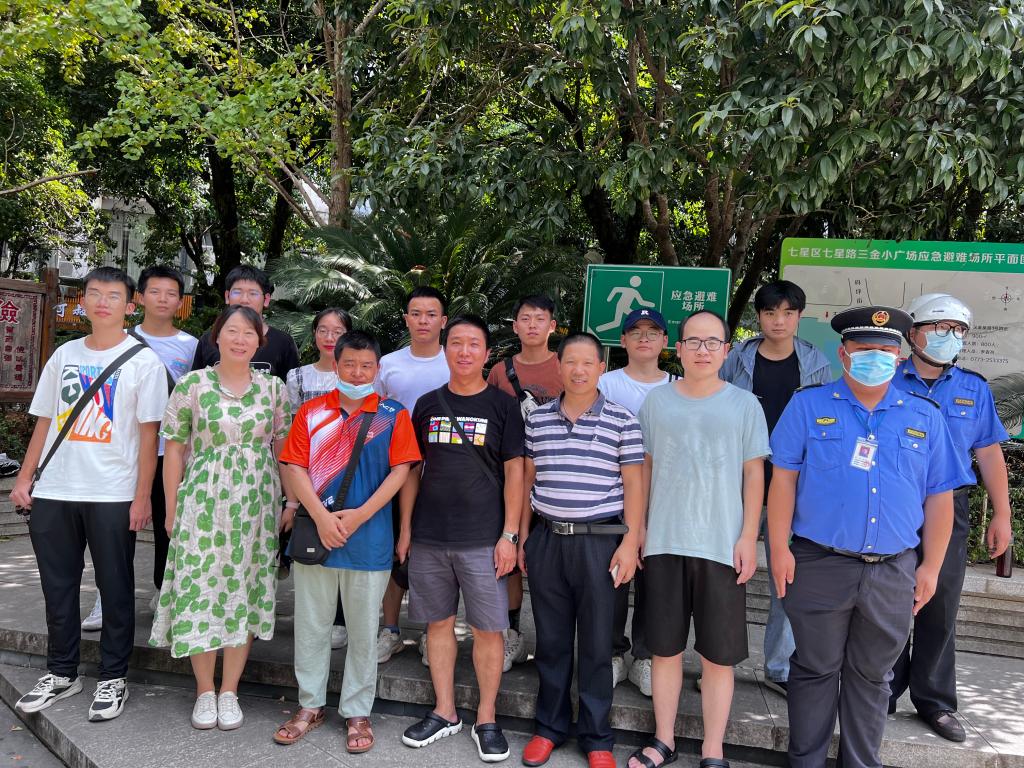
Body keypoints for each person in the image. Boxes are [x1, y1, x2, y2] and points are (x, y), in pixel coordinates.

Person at [768, 305, 968, 768]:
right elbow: (783, 482)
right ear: (843, 354)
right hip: (819, 563)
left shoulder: (925, 416)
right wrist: (777, 547)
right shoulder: (808, 405)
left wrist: (931, 567)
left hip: (893, 571)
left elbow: (940, 497)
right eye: (864, 350)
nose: (875, 358)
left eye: (885, 351)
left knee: (873, 677)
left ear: (899, 357)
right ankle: (806, 762)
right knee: (813, 670)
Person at [10, 266, 169, 722]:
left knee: (115, 587)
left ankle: (113, 677)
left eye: (113, 295)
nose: (103, 302)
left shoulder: (144, 363)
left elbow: (149, 438)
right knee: (57, 586)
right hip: (56, 488)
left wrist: (142, 496)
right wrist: (25, 478)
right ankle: (62, 672)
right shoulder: (65, 354)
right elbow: (45, 421)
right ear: (83, 302)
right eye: (94, 293)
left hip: (113, 492)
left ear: (129, 305)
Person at [628, 310, 769, 768]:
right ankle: (663, 740)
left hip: (722, 546)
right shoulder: (657, 403)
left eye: (712, 343)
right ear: (679, 349)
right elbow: (644, 469)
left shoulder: (745, 405)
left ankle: (713, 748)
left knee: (718, 658)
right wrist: (639, 528)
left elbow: (754, 474)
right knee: (664, 650)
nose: (702, 350)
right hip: (665, 542)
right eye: (693, 341)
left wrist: (748, 536)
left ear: (726, 350)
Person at [274, 330, 421, 752]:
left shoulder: (393, 415)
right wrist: (321, 517)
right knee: (311, 627)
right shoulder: (312, 411)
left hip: (370, 537)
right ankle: (309, 705)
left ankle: (358, 711)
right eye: (350, 364)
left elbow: (401, 471)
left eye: (366, 366)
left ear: (378, 369)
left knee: (363, 631)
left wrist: (359, 516)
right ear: (336, 365)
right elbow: (295, 466)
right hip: (315, 536)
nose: (357, 372)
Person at [151, 305, 291, 731]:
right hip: (202, 503)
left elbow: (284, 451)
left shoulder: (274, 390)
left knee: (244, 589)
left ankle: (229, 690)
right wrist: (171, 509)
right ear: (217, 337)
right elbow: (174, 449)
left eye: (249, 333)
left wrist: (290, 503)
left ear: (259, 341)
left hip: (257, 505)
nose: (240, 339)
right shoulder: (192, 385)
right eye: (232, 331)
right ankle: (204, 691)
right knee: (200, 589)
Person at [399, 314, 524, 763]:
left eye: (474, 344)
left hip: (484, 538)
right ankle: (445, 711)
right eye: (457, 343)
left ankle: (486, 718)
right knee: (437, 625)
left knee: (488, 630)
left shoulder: (504, 406)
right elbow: (412, 470)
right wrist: (406, 529)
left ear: (487, 353)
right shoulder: (427, 404)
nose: (464, 351)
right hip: (431, 535)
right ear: (445, 349)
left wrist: (510, 535)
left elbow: (516, 474)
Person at [888, 294, 1012, 742]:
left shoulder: (973, 388)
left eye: (958, 330)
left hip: (950, 507)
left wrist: (1002, 514)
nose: (950, 337)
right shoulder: (888, 378)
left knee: (940, 604)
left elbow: (989, 452)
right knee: (888, 597)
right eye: (939, 328)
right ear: (913, 334)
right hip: (894, 502)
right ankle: (880, 689)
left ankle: (935, 701)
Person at [519, 333, 644, 768]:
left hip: (600, 542)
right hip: (548, 539)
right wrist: (523, 538)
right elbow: (528, 480)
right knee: (551, 642)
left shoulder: (623, 420)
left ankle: (596, 737)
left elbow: (634, 486)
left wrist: (630, 542)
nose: (578, 370)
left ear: (601, 368)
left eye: (587, 362)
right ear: (559, 366)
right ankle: (549, 728)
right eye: (570, 361)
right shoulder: (537, 420)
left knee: (596, 644)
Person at [716, 280, 830, 697]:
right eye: (769, 313)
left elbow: (823, 423)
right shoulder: (738, 359)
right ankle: (719, 662)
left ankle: (779, 667)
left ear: (799, 316)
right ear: (759, 317)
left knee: (788, 575)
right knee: (726, 571)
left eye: (787, 313)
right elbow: (716, 406)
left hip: (792, 485)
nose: (778, 321)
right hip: (738, 480)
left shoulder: (816, 363)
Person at [597, 307, 676, 696]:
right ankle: (613, 653)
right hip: (612, 500)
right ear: (623, 340)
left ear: (665, 341)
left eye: (653, 331)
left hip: (665, 500)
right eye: (636, 331)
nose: (644, 338)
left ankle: (645, 657)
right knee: (613, 579)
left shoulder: (679, 386)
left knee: (655, 582)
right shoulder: (604, 384)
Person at [374, 287, 450, 664]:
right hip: (393, 473)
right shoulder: (388, 363)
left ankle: (430, 633)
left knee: (435, 557)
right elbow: (373, 414)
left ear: (443, 321)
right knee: (394, 552)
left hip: (444, 475)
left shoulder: (455, 361)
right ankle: (389, 630)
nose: (423, 320)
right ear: (406, 319)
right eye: (416, 313)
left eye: (431, 314)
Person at [486, 295, 562, 672]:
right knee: (510, 555)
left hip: (557, 479)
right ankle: (511, 633)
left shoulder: (567, 365)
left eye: (540, 318)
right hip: (509, 476)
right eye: (525, 318)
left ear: (552, 326)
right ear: (515, 326)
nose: (532, 325)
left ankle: (553, 641)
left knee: (549, 561)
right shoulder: (500, 371)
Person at [285, 307, 352, 650]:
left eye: (337, 331)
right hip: (306, 473)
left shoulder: (357, 375)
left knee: (341, 543)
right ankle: (313, 617)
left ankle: (340, 619)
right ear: (314, 335)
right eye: (323, 330)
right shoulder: (297, 377)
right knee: (310, 541)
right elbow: (288, 431)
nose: (329, 338)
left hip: (347, 473)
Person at [190, 264, 300, 381]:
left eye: (253, 293)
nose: (244, 300)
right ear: (227, 296)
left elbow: (292, 388)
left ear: (266, 299)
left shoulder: (283, 343)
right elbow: (196, 383)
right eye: (237, 292)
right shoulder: (209, 340)